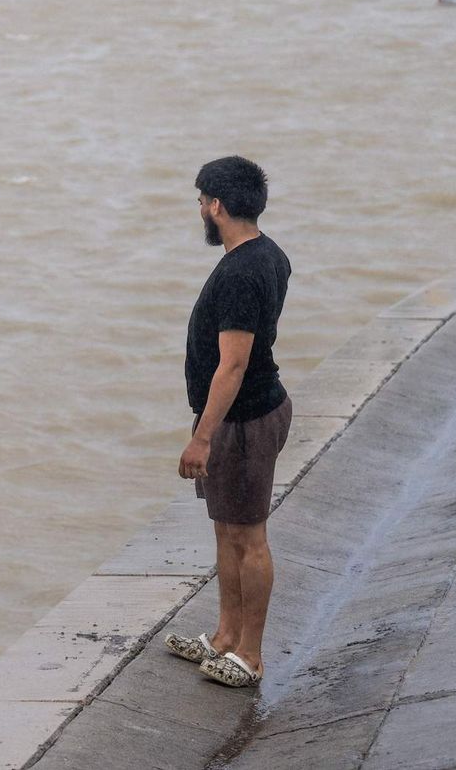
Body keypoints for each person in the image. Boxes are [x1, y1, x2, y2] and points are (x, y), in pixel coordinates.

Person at [165, 156, 293, 690]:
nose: (198, 209)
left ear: (217, 205)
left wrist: (203, 436)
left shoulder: (242, 272)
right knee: (226, 528)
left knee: (248, 536)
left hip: (243, 421)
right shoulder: (267, 253)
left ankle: (251, 655)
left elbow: (234, 363)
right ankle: (224, 637)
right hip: (245, 415)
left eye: (200, 200)